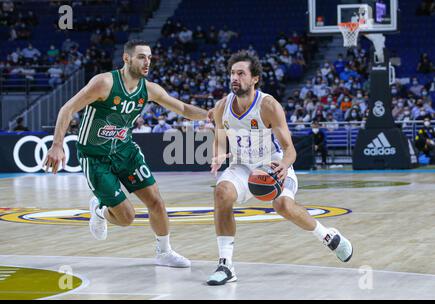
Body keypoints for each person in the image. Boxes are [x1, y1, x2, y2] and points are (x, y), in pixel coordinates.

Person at [44, 39, 209, 268]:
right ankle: (100, 210)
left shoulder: (149, 89)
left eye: (150, 57)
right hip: (95, 155)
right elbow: (67, 109)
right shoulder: (104, 83)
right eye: (142, 56)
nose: (147, 62)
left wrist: (211, 116)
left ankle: (164, 252)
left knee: (156, 202)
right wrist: (57, 144)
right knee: (126, 218)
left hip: (125, 150)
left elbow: (182, 109)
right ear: (126, 58)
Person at [207, 51, 352, 286]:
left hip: (272, 162)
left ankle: (327, 235)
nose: (234, 77)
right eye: (232, 73)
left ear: (254, 78)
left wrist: (284, 165)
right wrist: (217, 154)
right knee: (221, 192)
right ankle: (226, 265)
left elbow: (290, 149)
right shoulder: (222, 106)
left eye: (240, 73)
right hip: (243, 165)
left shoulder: (268, 105)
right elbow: (219, 137)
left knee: (283, 205)